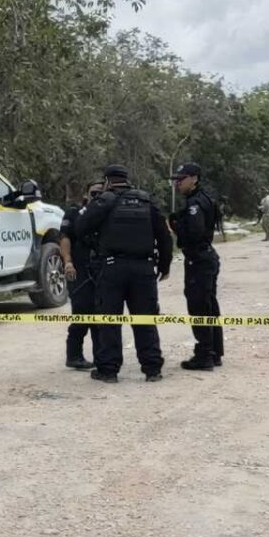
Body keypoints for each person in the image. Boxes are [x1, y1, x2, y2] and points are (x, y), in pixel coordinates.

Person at [75, 164, 173, 383]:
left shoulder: (105, 201)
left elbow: (81, 227)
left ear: (108, 181)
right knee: (145, 319)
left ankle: (108, 371)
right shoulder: (147, 201)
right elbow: (165, 237)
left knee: (110, 320)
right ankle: (152, 369)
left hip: (112, 269)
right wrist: (164, 267)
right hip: (144, 270)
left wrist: (96, 246)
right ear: (127, 180)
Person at [170, 163, 223, 371]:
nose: (177, 183)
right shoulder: (204, 198)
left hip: (199, 260)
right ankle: (214, 351)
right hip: (205, 258)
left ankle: (204, 356)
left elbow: (194, 233)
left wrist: (176, 227)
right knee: (209, 306)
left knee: (199, 307)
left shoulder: (195, 204)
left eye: (181, 179)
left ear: (194, 179)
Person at [61, 179, 105, 369]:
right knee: (81, 312)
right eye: (94, 193)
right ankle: (74, 355)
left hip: (101, 270)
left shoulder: (107, 212)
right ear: (86, 195)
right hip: (79, 269)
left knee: (100, 314)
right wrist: (68, 262)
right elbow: (64, 238)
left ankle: (101, 356)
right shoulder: (74, 213)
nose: (97, 197)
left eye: (101, 193)